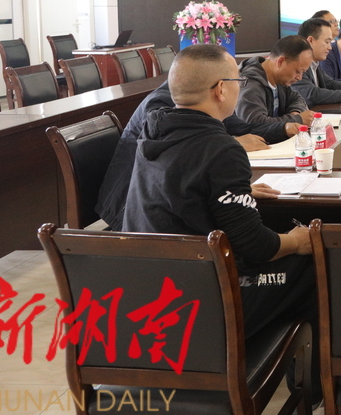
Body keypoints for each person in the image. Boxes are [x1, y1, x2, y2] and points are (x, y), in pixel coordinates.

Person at [121, 44, 318, 396]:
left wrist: (233, 192)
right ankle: (311, 391)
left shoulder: (154, 131)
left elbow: (175, 189)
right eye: (238, 82)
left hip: (146, 290)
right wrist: (296, 240)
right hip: (201, 304)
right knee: (310, 264)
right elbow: (255, 246)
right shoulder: (222, 148)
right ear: (221, 89)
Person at [96, 79, 297, 231]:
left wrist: (283, 128)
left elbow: (240, 127)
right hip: (134, 211)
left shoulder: (205, 102)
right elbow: (176, 153)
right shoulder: (159, 105)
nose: (239, 88)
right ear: (220, 86)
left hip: (172, 202)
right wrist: (231, 142)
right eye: (237, 81)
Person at [235, 36, 317, 126]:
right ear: (280, 62)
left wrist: (295, 112)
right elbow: (255, 124)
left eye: (303, 72)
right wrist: (296, 119)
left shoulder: (280, 79)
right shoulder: (251, 86)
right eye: (298, 71)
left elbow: (296, 98)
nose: (299, 78)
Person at [292, 17, 341, 107]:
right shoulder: (297, 63)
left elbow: (330, 83)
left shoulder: (315, 63)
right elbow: (311, 95)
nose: (330, 47)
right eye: (327, 42)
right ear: (310, 41)